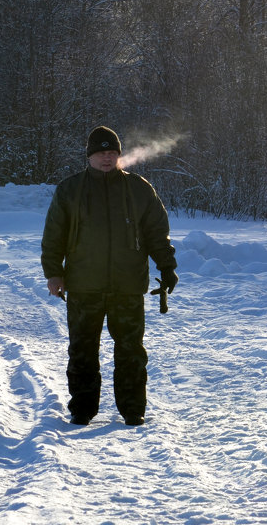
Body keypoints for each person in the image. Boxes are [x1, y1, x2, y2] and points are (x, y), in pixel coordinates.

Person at [41, 126, 178, 426]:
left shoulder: (139, 189)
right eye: (101, 153)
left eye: (112, 152)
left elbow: (157, 233)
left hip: (127, 287)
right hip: (82, 286)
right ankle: (82, 409)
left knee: (131, 351)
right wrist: (54, 273)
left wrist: (167, 267)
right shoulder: (70, 190)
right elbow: (54, 236)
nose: (107, 158)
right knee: (82, 351)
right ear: (90, 156)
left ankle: (132, 409)